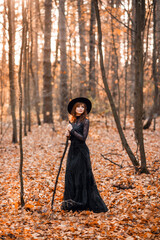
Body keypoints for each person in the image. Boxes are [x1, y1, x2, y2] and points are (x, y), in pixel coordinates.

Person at [61, 97, 108, 213]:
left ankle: (83, 202)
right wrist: (68, 134)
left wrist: (72, 131)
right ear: (74, 108)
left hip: (82, 152)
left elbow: (83, 138)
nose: (80, 109)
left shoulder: (85, 121)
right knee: (71, 174)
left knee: (82, 176)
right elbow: (72, 138)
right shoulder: (73, 121)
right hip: (73, 151)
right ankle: (72, 202)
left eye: (82, 107)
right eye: (78, 106)